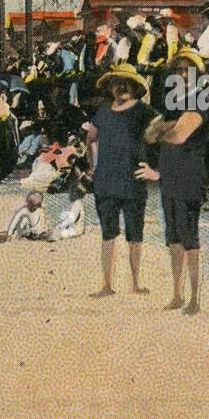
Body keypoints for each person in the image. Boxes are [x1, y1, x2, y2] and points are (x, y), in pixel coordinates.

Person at [139, 47, 209, 314]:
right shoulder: (174, 104)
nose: (182, 74)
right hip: (169, 174)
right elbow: (149, 134)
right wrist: (163, 129)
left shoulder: (201, 99)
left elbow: (179, 134)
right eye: (178, 70)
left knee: (190, 237)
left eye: (187, 70)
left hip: (189, 175)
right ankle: (177, 294)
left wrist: (162, 130)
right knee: (173, 238)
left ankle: (194, 297)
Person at [85, 63, 157, 299]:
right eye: (116, 83)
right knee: (108, 233)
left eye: (126, 83)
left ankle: (135, 283)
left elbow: (165, 136)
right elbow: (90, 140)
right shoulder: (103, 112)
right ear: (110, 88)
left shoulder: (144, 111)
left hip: (133, 182)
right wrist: (92, 167)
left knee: (135, 233)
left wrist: (154, 170)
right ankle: (107, 285)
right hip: (105, 182)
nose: (121, 86)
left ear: (135, 87)